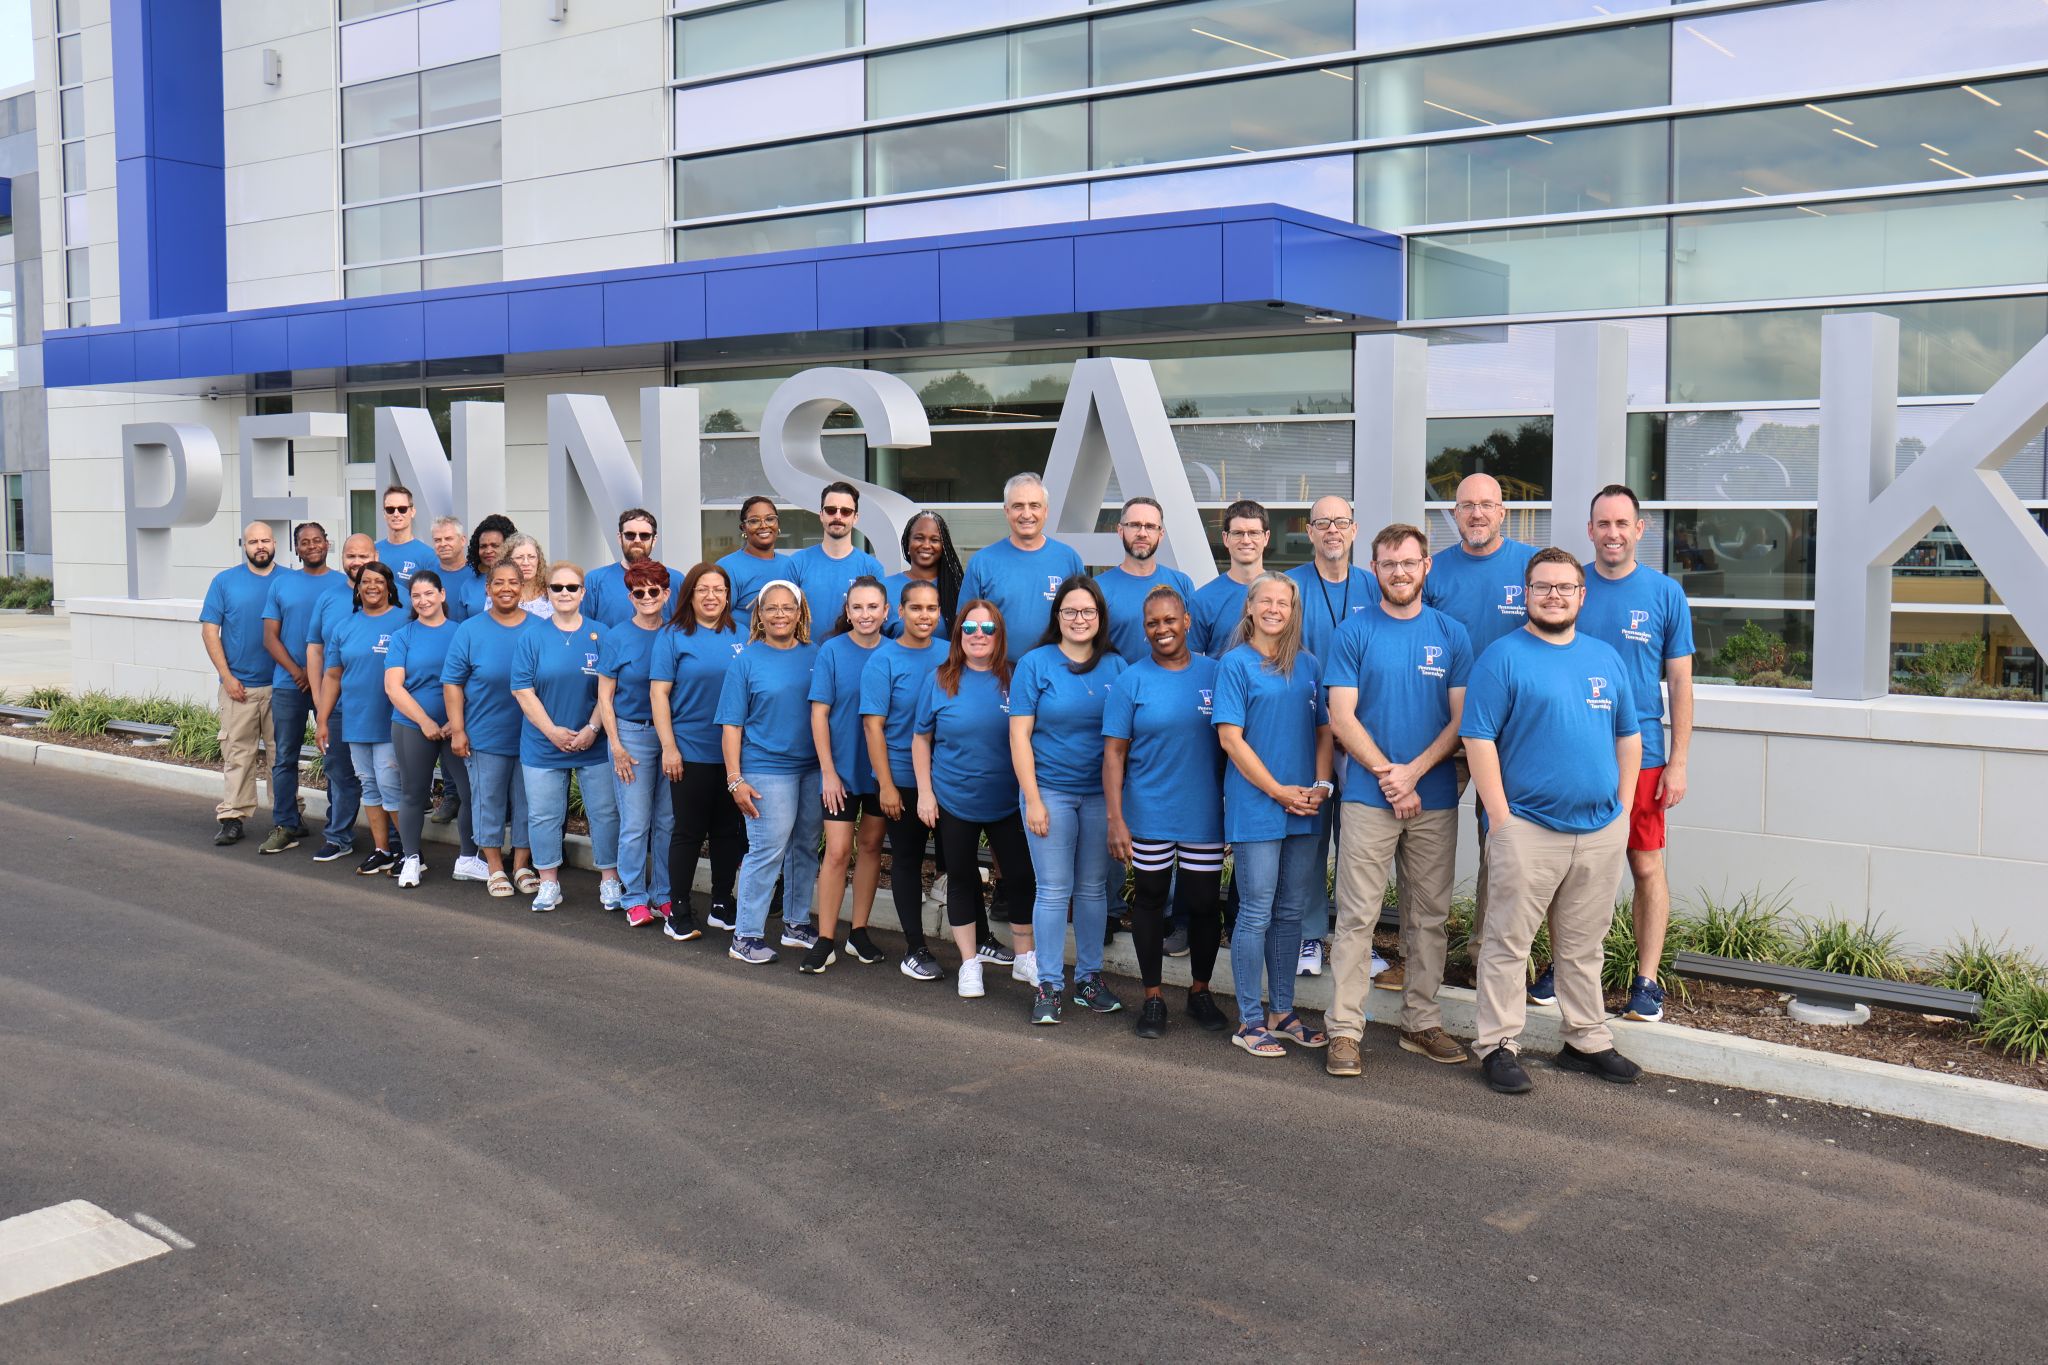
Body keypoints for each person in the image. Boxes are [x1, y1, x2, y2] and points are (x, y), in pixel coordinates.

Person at [1461, 547, 1643, 1096]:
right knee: (1508, 943)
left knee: (1585, 944)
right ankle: (1498, 1044)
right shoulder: (1502, 657)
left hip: (1599, 830)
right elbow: (1478, 739)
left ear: (1581, 596)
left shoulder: (1605, 658)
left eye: (1565, 587)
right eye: (1544, 587)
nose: (1555, 595)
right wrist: (1501, 820)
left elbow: (1628, 737)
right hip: (1528, 828)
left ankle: (1585, 1038)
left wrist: (1623, 812)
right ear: (1527, 593)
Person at [1322, 523, 1473, 1076]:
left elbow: (1460, 722)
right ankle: (1343, 1030)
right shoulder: (1354, 632)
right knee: (1358, 917)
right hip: (1367, 795)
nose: (1400, 572)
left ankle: (1420, 1022)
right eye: (1388, 564)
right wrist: (1391, 775)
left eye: (1409, 562)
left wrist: (1414, 774)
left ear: (1425, 566)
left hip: (1433, 796)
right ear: (1375, 569)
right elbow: (1342, 716)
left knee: (1428, 918)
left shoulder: (1452, 634)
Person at [1580, 483, 1695, 1024]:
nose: (1612, 533)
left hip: (1644, 754)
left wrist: (1679, 760)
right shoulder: (1570, 588)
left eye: (1622, 523)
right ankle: (1566, 969)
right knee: (1572, 866)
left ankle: (1647, 983)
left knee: (1645, 864)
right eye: (1603, 524)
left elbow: (1679, 683)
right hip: (1575, 750)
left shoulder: (1664, 593)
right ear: (1590, 530)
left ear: (1639, 529)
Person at [1213, 571, 1333, 1058]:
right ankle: (1249, 1020)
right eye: (1267, 601)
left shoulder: (1307, 665)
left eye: (1284, 602)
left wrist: (1321, 785)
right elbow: (1230, 739)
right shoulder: (1235, 665)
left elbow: (1324, 729)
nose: (1275, 609)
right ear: (1250, 607)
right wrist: (1279, 791)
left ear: (1293, 610)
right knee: (1256, 911)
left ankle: (1282, 1013)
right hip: (1258, 805)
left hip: (1304, 803)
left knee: (1289, 912)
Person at [1423, 472, 1538, 977]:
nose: (1476, 514)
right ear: (1453, 513)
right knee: (1425, 847)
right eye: (1466, 505)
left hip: (1510, 738)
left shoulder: (1529, 567)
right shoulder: (1433, 571)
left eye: (1486, 505)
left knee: (1503, 846)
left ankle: (1485, 959)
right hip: (1442, 731)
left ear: (1503, 512)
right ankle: (1421, 958)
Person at [1103, 584, 1230, 1039]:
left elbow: (1235, 745)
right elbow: (1114, 754)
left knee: (1200, 905)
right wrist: (1117, 819)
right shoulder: (1130, 680)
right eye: (1153, 622)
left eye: (1169, 620)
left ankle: (1199, 991)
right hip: (1149, 811)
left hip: (1203, 814)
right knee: (1152, 901)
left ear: (1187, 621)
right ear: (1145, 628)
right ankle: (1153, 997)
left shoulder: (1217, 673)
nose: (1162, 629)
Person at [1013, 574, 1127, 1021]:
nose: (1079, 619)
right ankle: (1048, 986)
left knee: (1094, 890)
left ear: (1100, 618)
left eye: (1088, 612)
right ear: (1057, 617)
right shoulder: (1035, 664)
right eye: (1070, 611)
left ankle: (1089, 979)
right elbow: (1019, 736)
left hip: (1100, 796)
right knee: (1054, 890)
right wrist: (1033, 798)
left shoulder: (1118, 668)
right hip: (1051, 794)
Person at [913, 601, 1040, 991]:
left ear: (999, 635)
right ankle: (970, 962)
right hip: (954, 799)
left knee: (1020, 876)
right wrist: (925, 793)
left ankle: (1025, 957)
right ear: (959, 635)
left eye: (988, 627)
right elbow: (921, 738)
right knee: (962, 878)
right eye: (970, 627)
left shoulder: (1016, 678)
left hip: (1008, 801)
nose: (979, 634)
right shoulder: (940, 679)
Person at [1288, 495, 1380, 979]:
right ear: (1309, 531)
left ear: (1354, 528)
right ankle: (1308, 937)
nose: (1331, 531)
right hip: (1306, 733)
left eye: (1340, 522)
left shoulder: (1373, 585)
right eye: (1322, 523)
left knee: (1360, 842)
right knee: (1309, 838)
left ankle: (1356, 941)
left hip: (1362, 736)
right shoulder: (1292, 588)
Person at [716, 581, 823, 965]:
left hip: (812, 768)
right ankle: (745, 936)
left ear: (800, 613)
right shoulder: (746, 660)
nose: (780, 614)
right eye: (771, 608)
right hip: (765, 768)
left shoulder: (816, 654)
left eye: (787, 608)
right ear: (759, 615)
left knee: (805, 848)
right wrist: (735, 778)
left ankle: (796, 924)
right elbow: (731, 725)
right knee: (767, 851)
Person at [510, 562, 622, 913]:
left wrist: (591, 729)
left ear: (583, 592)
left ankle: (610, 881)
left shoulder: (602, 634)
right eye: (557, 588)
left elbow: (608, 691)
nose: (564, 594)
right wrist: (552, 732)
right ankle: (548, 883)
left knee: (605, 813)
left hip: (594, 741)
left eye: (572, 588)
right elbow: (522, 690)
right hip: (543, 743)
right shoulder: (532, 636)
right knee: (543, 815)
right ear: (547, 592)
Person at [797, 576, 890, 973]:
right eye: (858, 607)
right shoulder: (832, 651)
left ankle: (860, 931)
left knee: (870, 847)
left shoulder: (895, 652)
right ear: (847, 610)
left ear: (886, 611)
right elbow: (819, 715)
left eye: (873, 607)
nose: (865, 614)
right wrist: (829, 773)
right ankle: (825, 937)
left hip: (881, 771)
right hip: (842, 770)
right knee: (836, 852)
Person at [651, 563, 746, 943]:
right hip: (690, 749)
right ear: (689, 594)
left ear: (727, 594)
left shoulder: (742, 632)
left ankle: (722, 903)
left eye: (718, 589)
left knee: (729, 832)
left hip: (735, 754)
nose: (711, 596)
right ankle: (679, 909)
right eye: (703, 589)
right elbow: (659, 694)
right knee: (688, 832)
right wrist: (669, 747)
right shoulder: (673, 636)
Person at [860, 578, 948, 980]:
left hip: (949, 778)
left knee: (957, 864)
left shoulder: (951, 654)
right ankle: (915, 946)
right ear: (901, 612)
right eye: (916, 608)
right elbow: (873, 728)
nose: (925, 616)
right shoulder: (884, 660)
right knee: (909, 862)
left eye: (932, 609)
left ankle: (979, 939)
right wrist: (886, 784)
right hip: (902, 778)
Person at [442, 561, 539, 898]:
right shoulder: (469, 630)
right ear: (488, 588)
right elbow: (452, 684)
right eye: (498, 583)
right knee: (489, 800)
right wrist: (457, 729)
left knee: (528, 803)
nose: (506, 588)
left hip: (533, 736)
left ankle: (522, 865)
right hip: (486, 733)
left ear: (523, 586)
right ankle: (495, 867)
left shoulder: (540, 628)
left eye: (513, 582)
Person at [383, 569, 480, 888]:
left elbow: (474, 681)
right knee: (413, 792)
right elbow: (394, 687)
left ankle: (468, 857)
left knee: (468, 793)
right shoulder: (403, 636)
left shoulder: (463, 632)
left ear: (442, 595)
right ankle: (411, 859)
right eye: (416, 596)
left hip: (458, 726)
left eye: (429, 594)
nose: (423, 600)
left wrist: (458, 721)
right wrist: (424, 721)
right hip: (412, 725)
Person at [258, 522, 350, 855]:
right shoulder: (282, 584)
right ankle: (285, 823)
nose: (312, 546)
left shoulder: (345, 584)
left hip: (333, 686)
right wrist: (299, 673)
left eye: (317, 540)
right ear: (296, 549)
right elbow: (270, 637)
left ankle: (336, 828)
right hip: (289, 683)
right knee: (284, 758)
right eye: (304, 542)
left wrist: (317, 680)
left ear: (328, 544)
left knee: (335, 759)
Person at [597, 559, 675, 926]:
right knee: (635, 822)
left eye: (653, 591)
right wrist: (616, 745)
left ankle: (663, 894)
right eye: (639, 592)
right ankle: (634, 897)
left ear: (666, 594)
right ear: (630, 596)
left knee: (667, 820)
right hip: (633, 734)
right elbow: (605, 697)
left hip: (671, 737)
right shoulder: (616, 636)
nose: (646, 597)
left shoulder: (675, 633)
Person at [318, 561, 405, 875]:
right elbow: (332, 676)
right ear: (357, 588)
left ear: (389, 587)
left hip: (391, 721)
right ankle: (382, 851)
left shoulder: (403, 621)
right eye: (365, 581)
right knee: (369, 786)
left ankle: (410, 853)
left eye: (378, 581)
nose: (371, 586)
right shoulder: (345, 627)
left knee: (390, 785)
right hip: (355, 720)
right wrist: (323, 720)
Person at [200, 521, 281, 846]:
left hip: (281, 687)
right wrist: (227, 676)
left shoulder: (288, 581)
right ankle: (233, 816)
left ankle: (288, 815)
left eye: (265, 540)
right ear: (243, 545)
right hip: (239, 688)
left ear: (274, 543)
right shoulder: (225, 582)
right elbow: (209, 631)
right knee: (238, 754)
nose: (259, 546)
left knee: (282, 755)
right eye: (253, 542)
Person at [301, 533, 376, 862]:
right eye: (350, 556)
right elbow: (315, 650)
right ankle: (338, 836)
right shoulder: (329, 598)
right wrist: (320, 702)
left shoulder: (396, 599)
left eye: (363, 555)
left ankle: (391, 841)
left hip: (382, 708)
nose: (356, 562)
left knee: (385, 778)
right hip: (339, 708)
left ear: (375, 556)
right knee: (340, 773)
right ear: (342, 558)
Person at [959, 474, 1083, 661]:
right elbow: (964, 623)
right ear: (1006, 511)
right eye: (1018, 506)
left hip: (1057, 671)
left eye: (1034, 506)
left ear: (1046, 511)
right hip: (998, 672)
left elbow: (1084, 617)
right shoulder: (982, 562)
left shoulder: (1069, 559)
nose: (1026, 514)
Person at [1095, 496, 1196, 665]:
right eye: (1134, 525)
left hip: (1172, 686)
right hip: (1119, 687)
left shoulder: (1182, 583)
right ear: (1120, 531)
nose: (1142, 533)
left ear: (1161, 534)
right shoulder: (1098, 588)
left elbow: (1193, 643)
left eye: (1150, 526)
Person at [789, 482, 886, 625]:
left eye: (846, 511)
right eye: (831, 510)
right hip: (806, 647)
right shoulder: (797, 563)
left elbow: (878, 621)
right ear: (821, 515)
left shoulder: (872, 568)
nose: (838, 516)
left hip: (855, 648)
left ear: (855, 517)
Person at [1188, 499, 1269, 657]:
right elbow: (1193, 663)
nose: (1246, 540)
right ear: (1225, 538)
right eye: (1238, 533)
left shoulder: (1284, 593)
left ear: (1266, 537)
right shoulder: (1203, 599)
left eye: (1254, 533)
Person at [884, 511, 961, 640]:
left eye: (934, 540)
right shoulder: (884, 588)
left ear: (944, 547)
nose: (926, 545)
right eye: (919, 538)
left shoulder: (957, 589)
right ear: (907, 542)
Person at [717, 495, 789, 631]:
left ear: (778, 524)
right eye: (754, 521)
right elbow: (716, 619)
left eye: (770, 519)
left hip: (786, 648)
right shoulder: (728, 567)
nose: (764, 526)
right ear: (743, 528)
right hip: (745, 649)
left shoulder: (791, 565)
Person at [584, 508, 659, 628]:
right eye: (630, 535)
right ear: (620, 538)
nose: (637, 540)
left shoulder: (674, 581)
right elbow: (584, 629)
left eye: (644, 535)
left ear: (654, 540)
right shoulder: (594, 581)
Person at [448, 513, 515, 624]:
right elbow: (462, 628)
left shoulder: (520, 582)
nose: (488, 551)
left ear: (509, 547)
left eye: (495, 545)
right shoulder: (468, 586)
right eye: (483, 546)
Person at [374, 484, 427, 594]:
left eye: (402, 509)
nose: (396, 514)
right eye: (390, 509)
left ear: (412, 512)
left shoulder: (427, 556)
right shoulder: (372, 551)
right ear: (384, 513)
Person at [502, 532, 552, 618]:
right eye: (519, 557)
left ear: (538, 560)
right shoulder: (498, 592)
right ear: (507, 562)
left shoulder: (553, 590)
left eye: (531, 557)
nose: (526, 562)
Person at [428, 516, 470, 617]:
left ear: (463, 540)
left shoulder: (478, 574)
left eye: (448, 538)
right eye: (437, 540)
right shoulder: (428, 577)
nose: (443, 544)